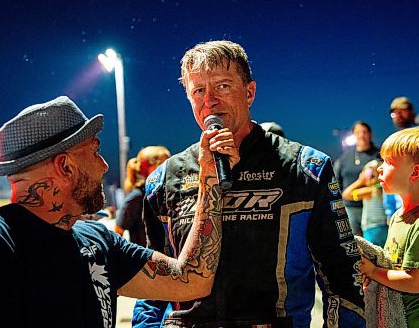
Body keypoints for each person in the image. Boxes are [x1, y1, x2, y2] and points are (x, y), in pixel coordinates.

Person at [0, 95, 236, 327]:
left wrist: (209, 177)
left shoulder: (96, 242)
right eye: (95, 151)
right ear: (65, 165)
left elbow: (192, 279)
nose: (104, 166)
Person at [133, 40, 364, 327]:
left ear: (250, 92)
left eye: (223, 86)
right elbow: (152, 283)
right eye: (199, 91)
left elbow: (342, 276)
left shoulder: (307, 168)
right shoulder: (164, 178)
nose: (210, 101)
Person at [360, 127, 419, 327]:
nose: (380, 168)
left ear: (415, 172)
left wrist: (374, 271)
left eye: (389, 162)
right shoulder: (397, 217)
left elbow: (418, 282)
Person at [116, 146, 171, 246]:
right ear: (151, 168)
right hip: (146, 259)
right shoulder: (137, 198)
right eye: (163, 165)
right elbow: (117, 232)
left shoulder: (164, 194)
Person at [334, 121, 380, 236]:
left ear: (370, 134)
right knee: (355, 245)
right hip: (350, 208)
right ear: (353, 135)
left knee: (373, 245)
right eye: (358, 132)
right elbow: (336, 181)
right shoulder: (345, 157)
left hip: (374, 208)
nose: (361, 135)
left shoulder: (379, 155)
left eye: (364, 132)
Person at [342, 160, 388, 247]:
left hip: (372, 230)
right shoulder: (383, 189)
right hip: (384, 228)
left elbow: (346, 194)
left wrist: (360, 181)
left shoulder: (370, 191)